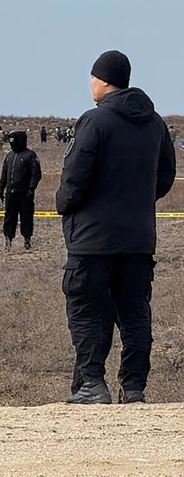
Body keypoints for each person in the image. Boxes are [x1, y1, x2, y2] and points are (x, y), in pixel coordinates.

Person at [56, 50, 176, 405]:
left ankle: (92, 384)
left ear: (102, 80)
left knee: (88, 310)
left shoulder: (95, 122)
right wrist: (136, 203)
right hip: (138, 239)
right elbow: (165, 176)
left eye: (92, 77)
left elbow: (75, 178)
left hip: (92, 241)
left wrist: (65, 204)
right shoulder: (154, 123)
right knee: (135, 312)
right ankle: (134, 387)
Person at [0, 130, 42, 251]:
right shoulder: (9, 156)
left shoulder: (30, 155)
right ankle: (8, 239)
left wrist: (31, 189)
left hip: (25, 194)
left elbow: (36, 174)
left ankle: (27, 239)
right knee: (9, 217)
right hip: (10, 193)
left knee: (26, 217)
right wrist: (1, 188)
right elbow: (4, 173)